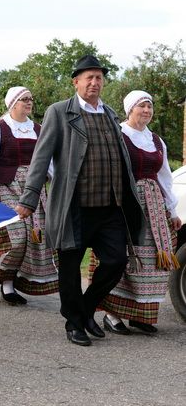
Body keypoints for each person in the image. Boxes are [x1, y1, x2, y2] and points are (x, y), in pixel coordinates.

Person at [15, 55, 143, 347]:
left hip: (111, 207)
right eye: (89, 78)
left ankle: (84, 310)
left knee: (116, 261)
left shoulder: (110, 114)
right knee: (70, 268)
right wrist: (29, 198)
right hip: (74, 206)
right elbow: (41, 157)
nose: (95, 83)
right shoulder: (59, 112)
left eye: (99, 78)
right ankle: (75, 323)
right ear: (76, 82)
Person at [92, 90, 182, 334]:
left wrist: (172, 211)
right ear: (129, 109)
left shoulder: (156, 140)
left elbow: (164, 178)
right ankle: (112, 316)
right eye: (141, 106)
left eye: (149, 106)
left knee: (151, 260)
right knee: (125, 256)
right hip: (124, 203)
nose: (146, 110)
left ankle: (140, 314)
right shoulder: (118, 134)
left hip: (153, 206)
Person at [0, 87, 59, 304]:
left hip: (34, 188)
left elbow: (50, 161)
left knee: (36, 237)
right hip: (6, 187)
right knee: (17, 238)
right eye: (24, 99)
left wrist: (59, 183)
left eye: (30, 99)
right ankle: (6, 282)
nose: (29, 103)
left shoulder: (38, 129)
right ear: (13, 103)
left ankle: (15, 281)